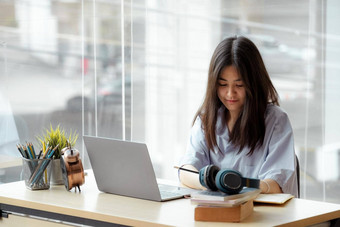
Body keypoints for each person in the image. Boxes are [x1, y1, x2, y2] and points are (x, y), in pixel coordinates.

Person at [178, 36, 298, 197]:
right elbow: (186, 169)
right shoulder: (206, 120)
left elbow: (277, 183)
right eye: (222, 84)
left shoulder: (276, 121)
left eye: (239, 85)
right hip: (213, 214)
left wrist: (238, 186)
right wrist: (208, 182)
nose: (230, 93)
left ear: (254, 83)